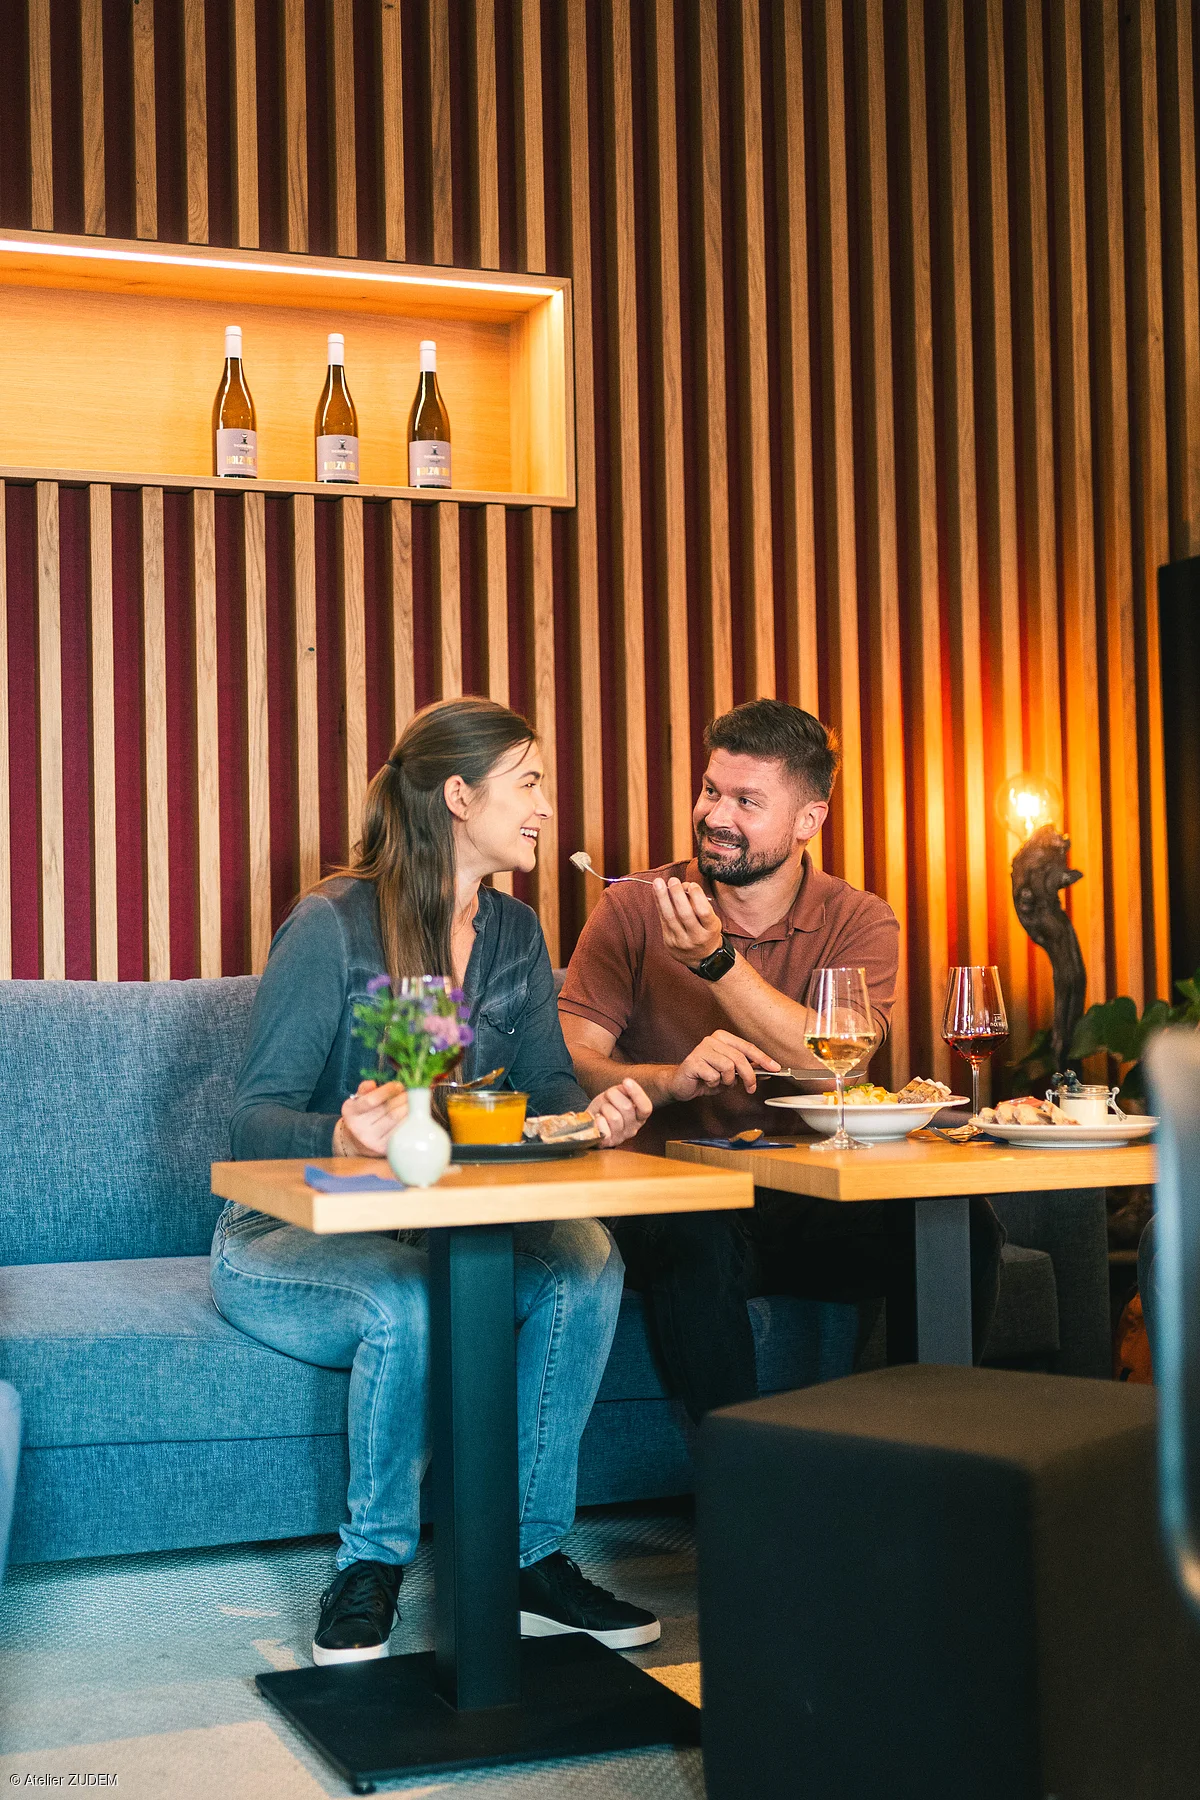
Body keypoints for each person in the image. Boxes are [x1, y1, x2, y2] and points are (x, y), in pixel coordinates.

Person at [211, 697, 659, 1666]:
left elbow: (544, 1093)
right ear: (460, 796)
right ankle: (370, 1562)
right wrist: (338, 1128)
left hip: (442, 1228)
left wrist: (597, 1115)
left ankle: (529, 1560)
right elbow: (249, 1121)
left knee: (587, 1259)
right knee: (406, 1296)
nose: (546, 806)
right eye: (529, 782)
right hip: (285, 1240)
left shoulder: (517, 935)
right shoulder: (331, 924)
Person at [559, 697, 1003, 1423]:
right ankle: (737, 1500)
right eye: (710, 790)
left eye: (746, 801)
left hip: (800, 1198)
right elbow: (572, 1062)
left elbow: (839, 1060)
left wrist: (716, 963)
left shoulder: (859, 919)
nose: (715, 816)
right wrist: (668, 1082)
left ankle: (929, 1462)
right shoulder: (636, 908)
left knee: (961, 1224)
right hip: (666, 1199)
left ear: (809, 820)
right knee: (694, 1228)